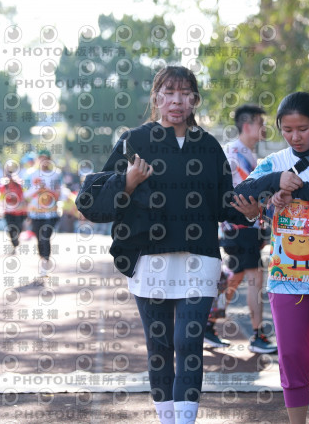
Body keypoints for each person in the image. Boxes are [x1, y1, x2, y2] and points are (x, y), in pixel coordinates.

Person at [98, 66, 258, 424]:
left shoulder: (209, 146)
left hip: (199, 260)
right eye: (169, 93)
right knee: (160, 348)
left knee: (188, 343)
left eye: (185, 94)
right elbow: (98, 200)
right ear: (156, 97)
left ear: (195, 99)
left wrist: (248, 212)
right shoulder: (134, 141)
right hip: (149, 261)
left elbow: (223, 203)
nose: (177, 101)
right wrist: (128, 182)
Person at [235, 92, 309, 424]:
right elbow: (240, 193)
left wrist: (297, 189)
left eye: (302, 129)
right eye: (287, 130)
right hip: (286, 279)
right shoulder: (274, 162)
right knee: (291, 355)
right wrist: (276, 182)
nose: (295, 137)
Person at [204, 104, 276, 354]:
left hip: (248, 226)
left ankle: (208, 323)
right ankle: (258, 335)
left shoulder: (249, 154)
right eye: (260, 123)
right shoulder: (233, 154)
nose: (264, 128)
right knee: (256, 277)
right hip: (238, 226)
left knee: (237, 275)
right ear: (247, 126)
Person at [23, 150, 61, 276]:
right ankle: (42, 259)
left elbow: (59, 193)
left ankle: (45, 261)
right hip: (35, 213)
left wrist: (49, 191)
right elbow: (25, 194)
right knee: (39, 238)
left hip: (51, 212)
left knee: (46, 237)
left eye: (46, 159)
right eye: (41, 159)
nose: (43, 161)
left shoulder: (56, 174)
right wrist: (37, 188)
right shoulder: (30, 174)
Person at [0, 166, 27, 254]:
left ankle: (16, 240)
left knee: (19, 228)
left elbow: (24, 196)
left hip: (19, 212)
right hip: (8, 211)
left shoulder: (19, 184)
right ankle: (14, 244)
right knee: (11, 228)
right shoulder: (3, 185)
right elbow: (1, 197)